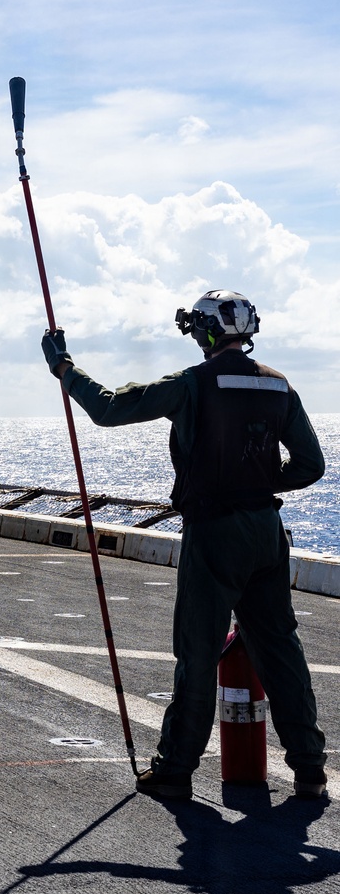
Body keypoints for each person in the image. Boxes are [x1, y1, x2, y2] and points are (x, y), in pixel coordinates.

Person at [42, 290, 328, 802]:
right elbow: (311, 465)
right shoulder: (279, 386)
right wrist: (258, 481)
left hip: (214, 532)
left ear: (208, 332)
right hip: (266, 530)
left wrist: (65, 369)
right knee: (281, 649)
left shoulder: (192, 384)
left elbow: (108, 410)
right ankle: (310, 770)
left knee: (197, 653)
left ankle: (175, 770)